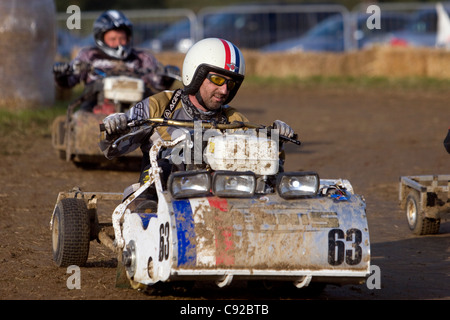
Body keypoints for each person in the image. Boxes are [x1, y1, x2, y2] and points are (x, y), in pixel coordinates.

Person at [100, 37, 294, 185]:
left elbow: (265, 170)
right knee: (146, 202)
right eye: (217, 80)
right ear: (195, 74)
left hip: (217, 198)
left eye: (230, 83)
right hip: (160, 197)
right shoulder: (160, 105)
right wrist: (115, 127)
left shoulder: (234, 119)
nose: (224, 90)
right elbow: (111, 149)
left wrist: (276, 142)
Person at [53, 10, 167, 111]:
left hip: (137, 109)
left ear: (128, 38)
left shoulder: (142, 57)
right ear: (101, 39)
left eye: (122, 39)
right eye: (113, 39)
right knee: (80, 119)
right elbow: (69, 82)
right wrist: (61, 74)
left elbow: (159, 84)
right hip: (95, 108)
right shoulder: (88, 55)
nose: (118, 43)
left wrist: (167, 76)